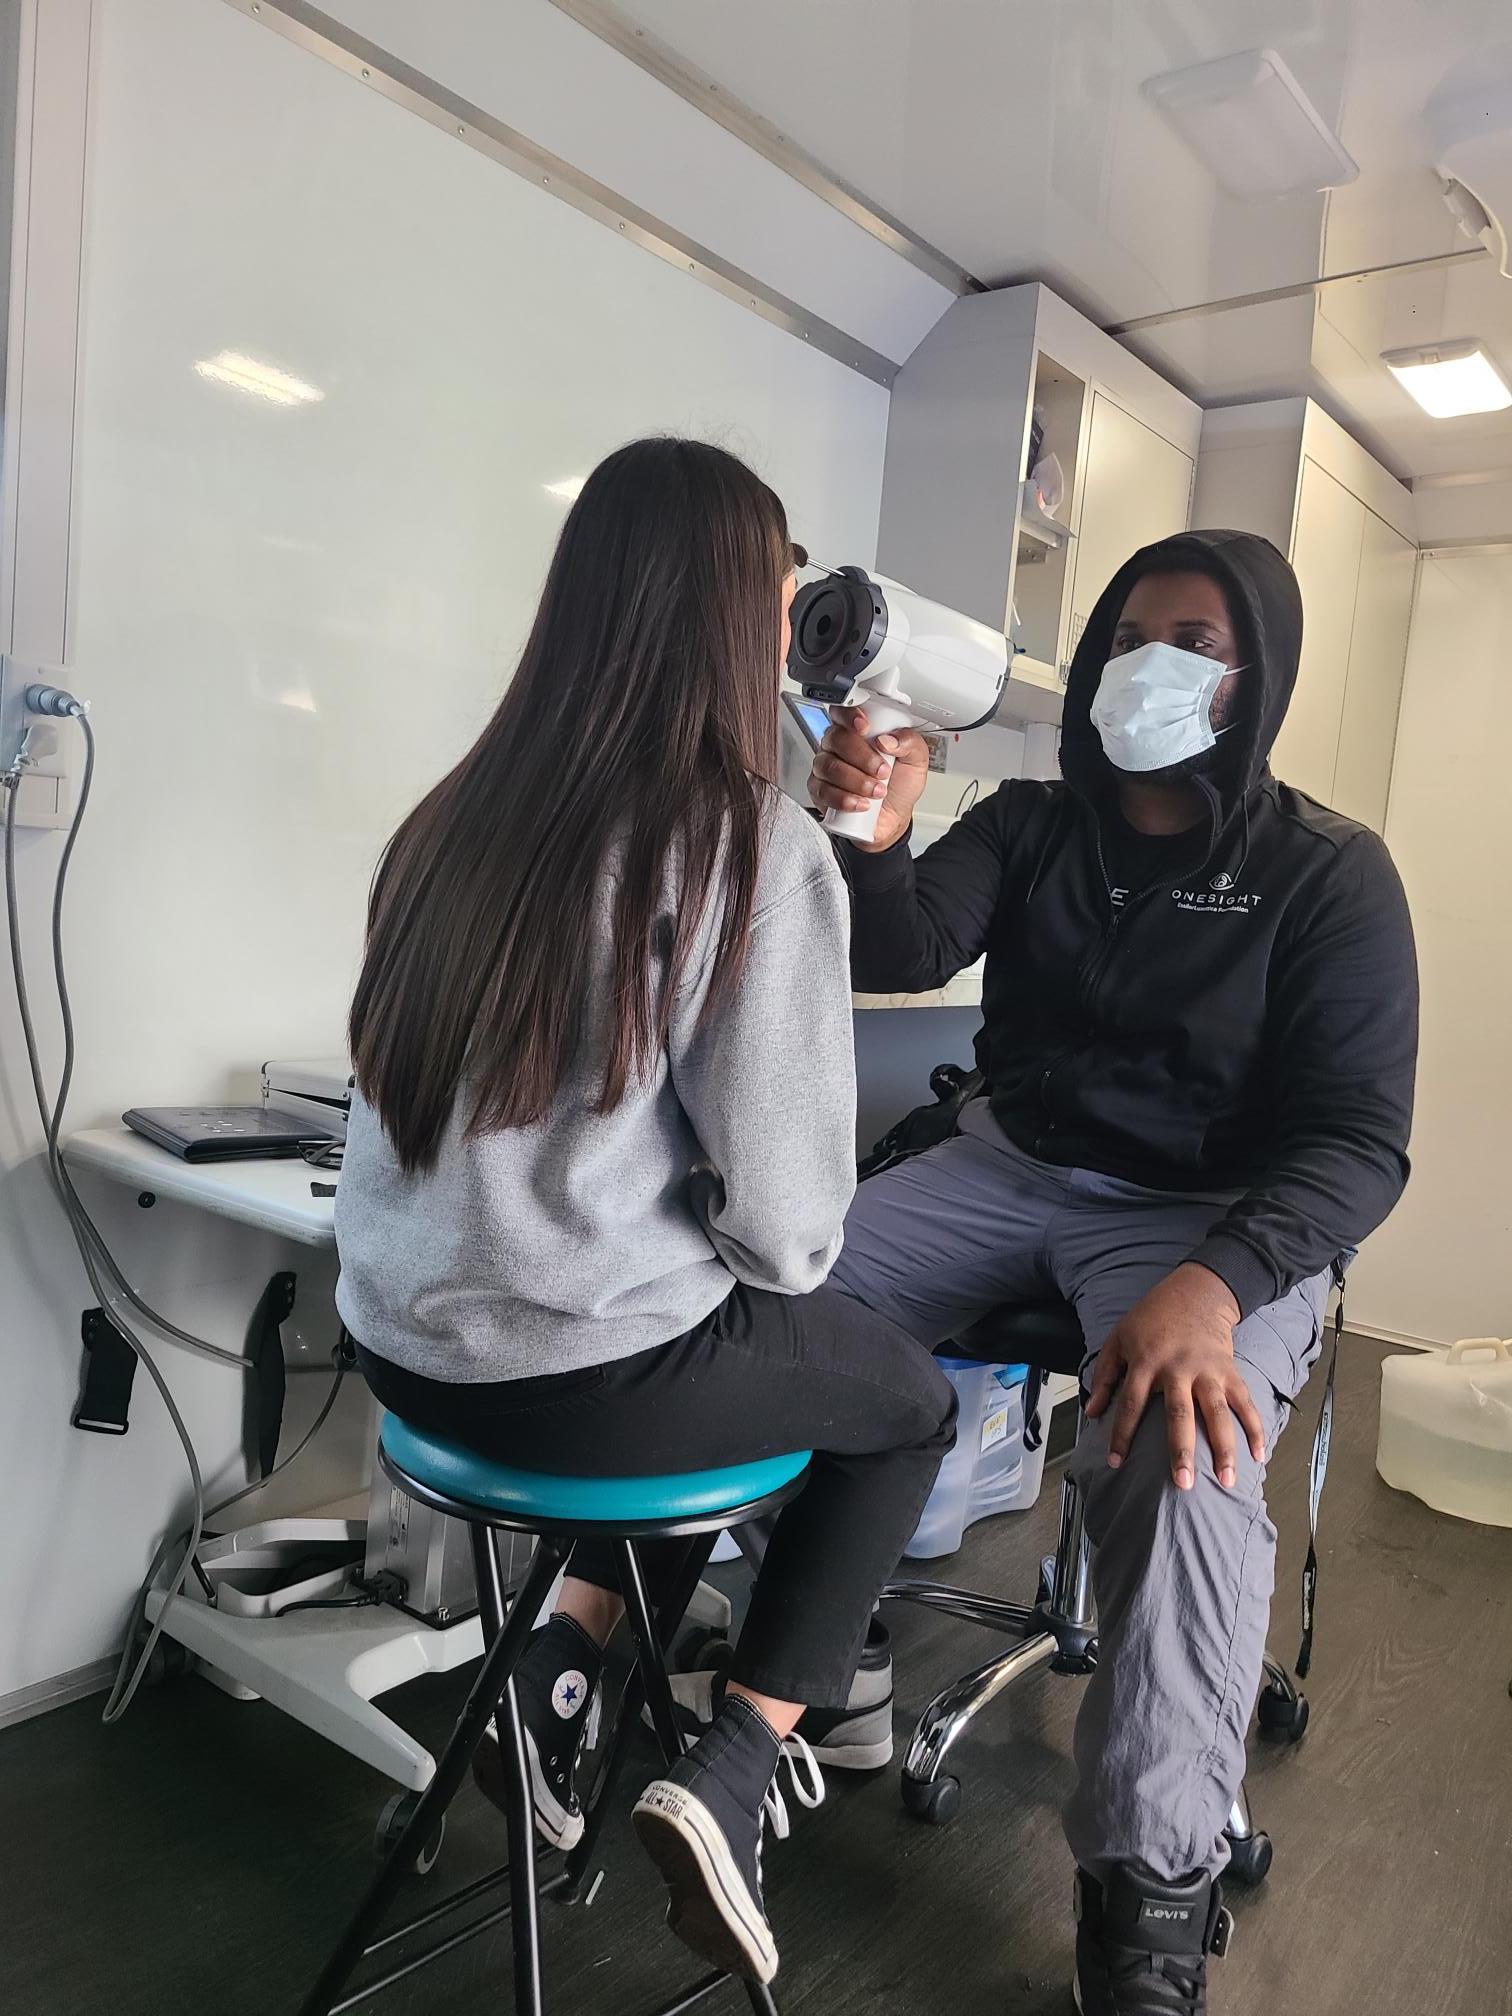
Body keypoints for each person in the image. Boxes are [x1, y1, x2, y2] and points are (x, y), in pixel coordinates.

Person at [333, 436, 956, 1988]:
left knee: (707, 1353)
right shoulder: (751, 842)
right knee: (905, 1402)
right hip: (576, 1395)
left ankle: (562, 1678)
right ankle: (736, 1769)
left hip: (404, 1369)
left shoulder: (450, 822)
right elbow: (795, 1235)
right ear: (738, 620)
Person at [805, 530, 1418, 2014]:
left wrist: (1217, 1283)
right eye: (1134, 632)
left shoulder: (1327, 874)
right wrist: (873, 838)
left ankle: (1151, 1881)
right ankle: (822, 1643)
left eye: (1198, 641)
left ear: (1252, 675)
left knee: (1184, 1450)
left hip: (1209, 1214)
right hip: (1003, 1162)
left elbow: (1356, 1142)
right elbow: (902, 947)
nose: (1157, 661)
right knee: (776, 1321)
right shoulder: (1027, 823)